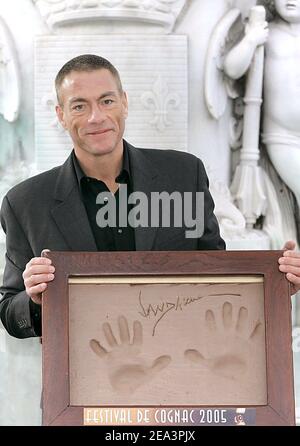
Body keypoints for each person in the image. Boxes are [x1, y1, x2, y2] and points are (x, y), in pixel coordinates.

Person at [0, 54, 299, 339]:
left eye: (107, 101)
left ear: (124, 103)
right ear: (61, 115)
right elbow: (10, 312)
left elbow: (215, 277)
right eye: (79, 106)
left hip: (179, 375)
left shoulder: (183, 175)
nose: (96, 117)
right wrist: (35, 298)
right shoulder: (25, 203)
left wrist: (274, 283)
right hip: (77, 383)